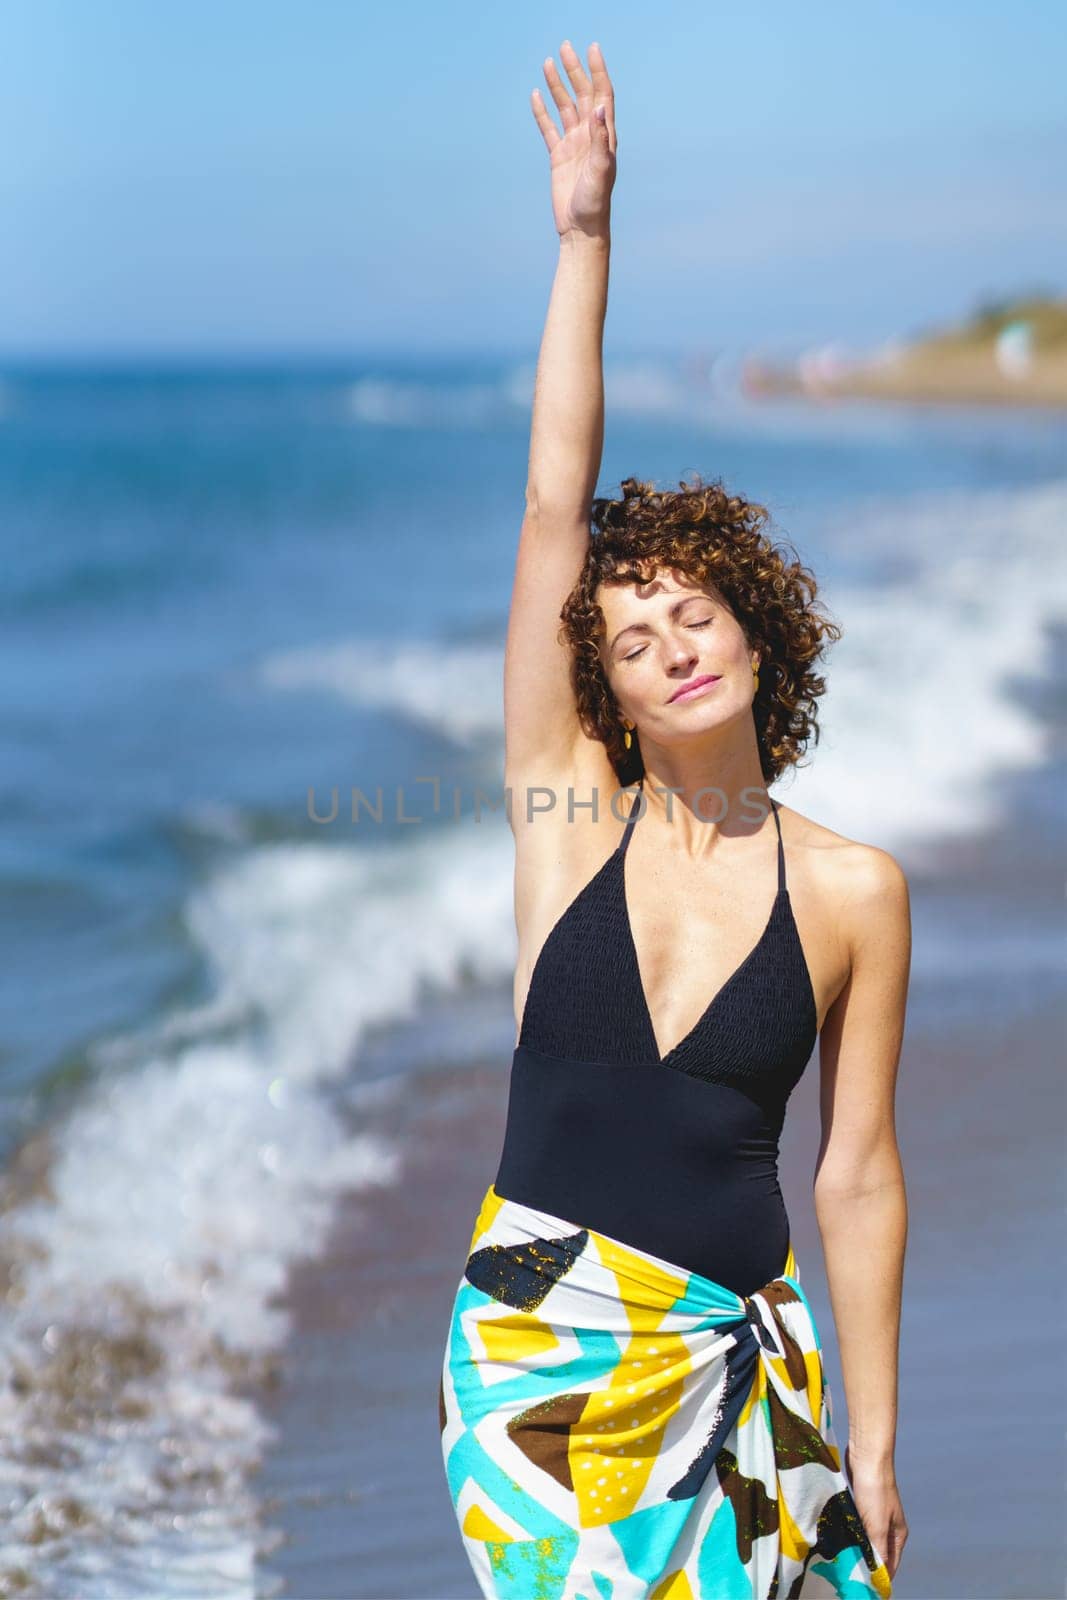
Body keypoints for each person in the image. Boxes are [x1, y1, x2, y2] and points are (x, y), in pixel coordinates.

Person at [439, 39, 910, 1598]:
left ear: (759, 635)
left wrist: (881, 1446)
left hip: (741, 1378)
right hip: (541, 1363)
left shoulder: (852, 892)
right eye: (630, 641)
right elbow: (550, 511)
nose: (670, 648)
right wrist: (585, 243)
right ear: (607, 696)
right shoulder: (569, 815)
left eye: (696, 614)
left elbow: (856, 1175)